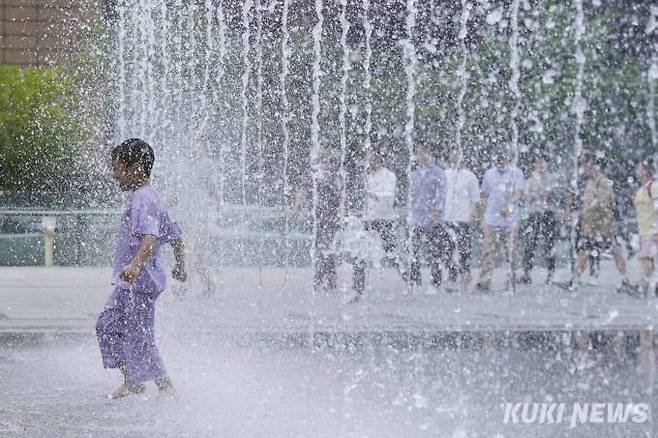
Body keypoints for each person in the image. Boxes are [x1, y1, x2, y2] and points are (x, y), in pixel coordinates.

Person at [96, 138, 187, 399]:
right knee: (110, 324)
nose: (114, 175)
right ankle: (134, 380)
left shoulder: (142, 199)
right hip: (135, 282)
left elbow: (150, 236)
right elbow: (176, 234)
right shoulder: (150, 197)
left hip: (139, 282)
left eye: (118, 168)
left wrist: (135, 265)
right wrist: (180, 265)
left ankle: (164, 387)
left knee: (137, 335)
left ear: (135, 168)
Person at [567, 153, 630, 292]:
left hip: (605, 226)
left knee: (615, 251)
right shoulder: (588, 183)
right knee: (584, 252)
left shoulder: (604, 182)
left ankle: (625, 278)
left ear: (594, 167)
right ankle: (574, 281)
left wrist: (584, 210)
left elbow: (601, 202)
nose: (584, 169)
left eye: (586, 166)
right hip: (591, 226)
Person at [351, 149, 400, 301]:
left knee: (392, 254)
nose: (367, 160)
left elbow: (389, 196)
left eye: (369, 156)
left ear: (378, 157)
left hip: (385, 220)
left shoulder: (389, 176)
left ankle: (410, 279)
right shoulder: (368, 176)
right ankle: (358, 289)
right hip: (369, 220)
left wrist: (372, 195)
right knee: (359, 253)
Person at [475, 151, 525, 292]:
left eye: (502, 159)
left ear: (508, 158)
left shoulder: (516, 173)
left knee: (510, 251)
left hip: (509, 220)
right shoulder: (489, 173)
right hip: (491, 219)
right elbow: (484, 194)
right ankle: (484, 281)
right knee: (488, 251)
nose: (500, 162)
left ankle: (512, 279)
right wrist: (482, 216)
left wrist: (509, 205)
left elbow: (518, 193)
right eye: (498, 159)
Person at [408, 142, 454, 293]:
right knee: (414, 251)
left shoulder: (438, 173)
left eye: (426, 151)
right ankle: (415, 282)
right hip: (417, 218)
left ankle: (435, 282)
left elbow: (441, 194)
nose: (423, 155)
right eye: (419, 152)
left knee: (435, 251)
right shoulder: (413, 174)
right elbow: (411, 197)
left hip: (433, 218)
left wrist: (437, 213)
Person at [443, 148, 480, 286]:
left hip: (463, 217)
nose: (455, 158)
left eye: (457, 155)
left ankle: (465, 272)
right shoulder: (445, 174)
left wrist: (471, 215)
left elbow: (475, 198)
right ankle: (452, 275)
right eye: (452, 155)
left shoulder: (470, 176)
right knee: (447, 249)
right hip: (447, 218)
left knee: (464, 248)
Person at [521, 153, 558, 285]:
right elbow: (528, 196)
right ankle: (527, 272)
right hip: (534, 213)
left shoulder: (551, 178)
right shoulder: (530, 180)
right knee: (530, 243)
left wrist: (539, 194)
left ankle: (550, 273)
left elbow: (550, 195)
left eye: (542, 163)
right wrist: (540, 194)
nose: (540, 165)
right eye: (537, 163)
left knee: (549, 244)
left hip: (548, 213)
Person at [633, 158, 658, 295]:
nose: (637, 171)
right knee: (648, 259)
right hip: (644, 230)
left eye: (639, 168)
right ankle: (649, 285)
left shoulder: (653, 186)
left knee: (645, 258)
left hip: (651, 229)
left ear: (646, 171)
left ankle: (643, 287)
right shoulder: (643, 188)